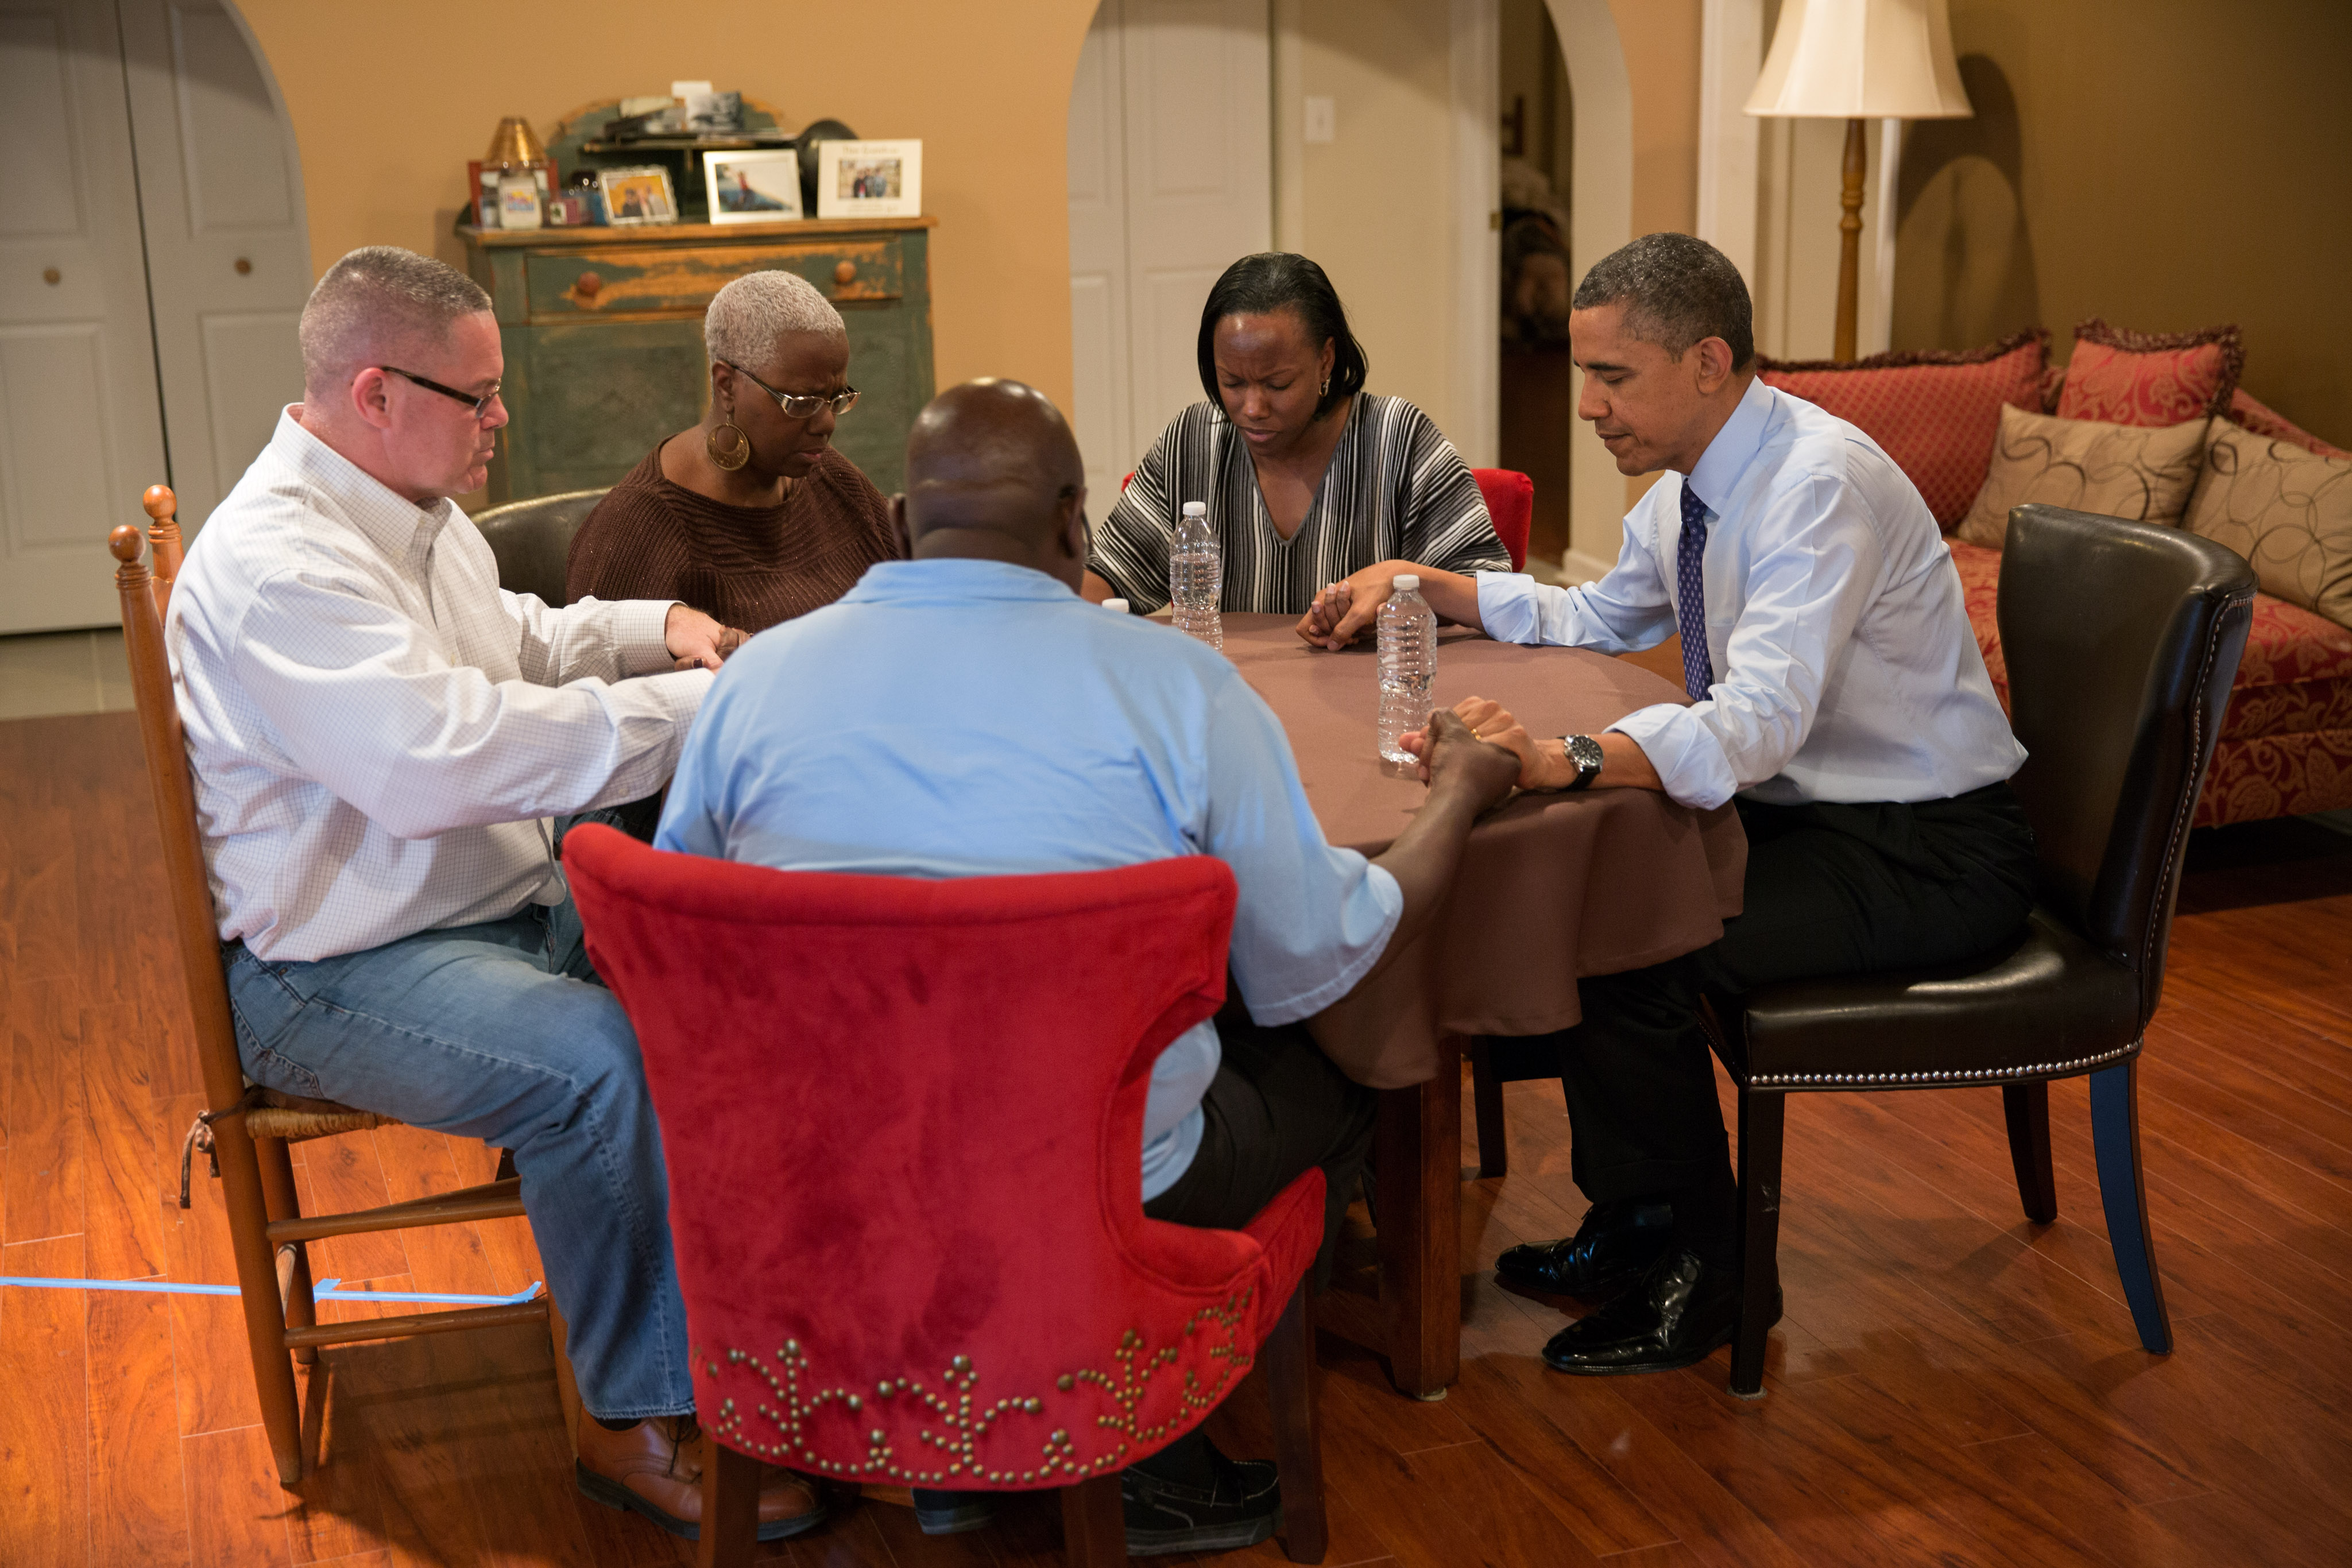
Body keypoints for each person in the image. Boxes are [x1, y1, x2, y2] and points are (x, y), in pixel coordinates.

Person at [658, 378, 1521, 1551]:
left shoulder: (753, 683)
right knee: (1335, 1054)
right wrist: (1462, 795)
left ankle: (962, 1434)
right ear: (1075, 525)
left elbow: (690, 931)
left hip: (823, 1166)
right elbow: (1317, 954)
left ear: (904, 524)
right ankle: (1135, 1432)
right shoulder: (1178, 689)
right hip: (1100, 1180)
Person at [166, 246, 823, 1544]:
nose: (501, 420)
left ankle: (738, 1318)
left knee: (725, 964)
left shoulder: (400, 502)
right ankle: (628, 1414)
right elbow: (441, 758)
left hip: (463, 906)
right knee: (596, 1065)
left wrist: (658, 629)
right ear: (374, 394)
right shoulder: (278, 568)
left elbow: (516, 635)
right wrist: (707, 707)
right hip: (328, 970)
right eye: (478, 397)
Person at [1360, 232, 2036, 1375]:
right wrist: (1439, 589)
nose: (1585, 406)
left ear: (1708, 363)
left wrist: (1565, 757)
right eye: (1584, 375)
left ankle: (1716, 1274)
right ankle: (1637, 1224)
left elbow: (1754, 727)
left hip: (1926, 845)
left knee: (1638, 939)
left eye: (1611, 377)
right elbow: (1606, 613)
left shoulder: (1813, 488)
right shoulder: (1701, 480)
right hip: (1819, 808)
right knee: (1593, 894)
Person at [1082, 251, 1511, 618]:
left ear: (1326, 360)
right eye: (1232, 383)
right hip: (1229, 701)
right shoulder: (1192, 444)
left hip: (1369, 701)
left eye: (1277, 385)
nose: (1252, 408)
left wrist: (1403, 585)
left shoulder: (1399, 442)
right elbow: (1108, 577)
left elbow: (1491, 595)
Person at [566, 269, 902, 633]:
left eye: (837, 399)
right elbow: (594, 679)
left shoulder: (833, 480)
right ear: (727, 386)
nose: (827, 424)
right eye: (802, 402)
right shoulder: (636, 531)